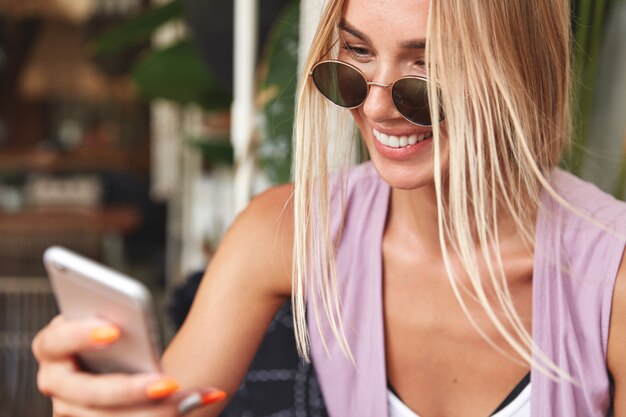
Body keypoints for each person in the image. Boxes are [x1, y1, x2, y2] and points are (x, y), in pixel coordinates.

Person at [32, 0, 626, 416]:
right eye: (354, 58)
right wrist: (85, 402)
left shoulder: (612, 279)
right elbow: (158, 406)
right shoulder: (288, 232)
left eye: (427, 71)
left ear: (518, 70)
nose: (375, 107)